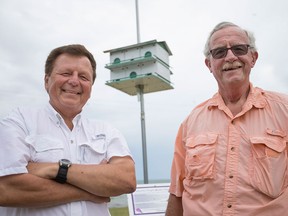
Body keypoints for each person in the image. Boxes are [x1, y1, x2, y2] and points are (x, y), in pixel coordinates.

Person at [165, 21, 288, 216]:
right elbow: (177, 193)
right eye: (220, 52)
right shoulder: (191, 122)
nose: (230, 56)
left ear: (253, 57)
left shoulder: (284, 111)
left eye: (239, 49)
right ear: (209, 64)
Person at [0, 44, 136, 216]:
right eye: (65, 73)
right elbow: (6, 189)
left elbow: (126, 180)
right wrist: (90, 191)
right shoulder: (19, 121)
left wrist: (54, 169)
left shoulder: (106, 131)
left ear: (91, 88)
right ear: (46, 81)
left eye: (84, 77)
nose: (74, 81)